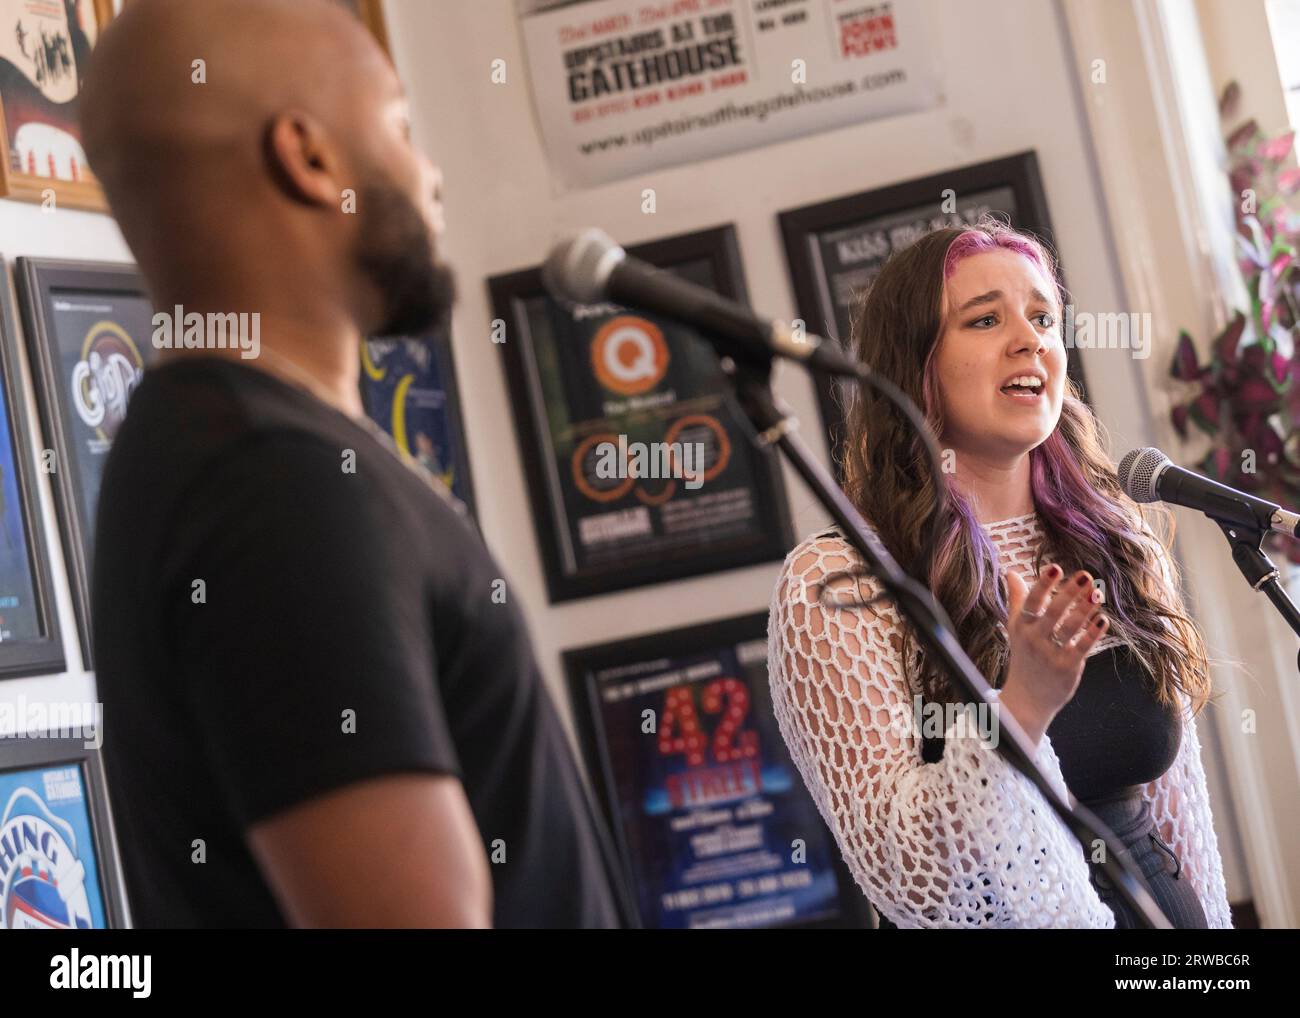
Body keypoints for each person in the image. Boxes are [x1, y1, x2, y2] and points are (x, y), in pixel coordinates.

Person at [81, 0, 629, 928]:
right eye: (403, 127)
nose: (433, 176)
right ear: (310, 157)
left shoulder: (240, 451)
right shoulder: (273, 489)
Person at [767, 221, 1234, 929]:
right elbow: (908, 879)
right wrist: (1022, 707)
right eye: (985, 319)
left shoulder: (1114, 536)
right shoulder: (838, 583)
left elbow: (1180, 819)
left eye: (1043, 317)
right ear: (913, 365)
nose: (1030, 339)